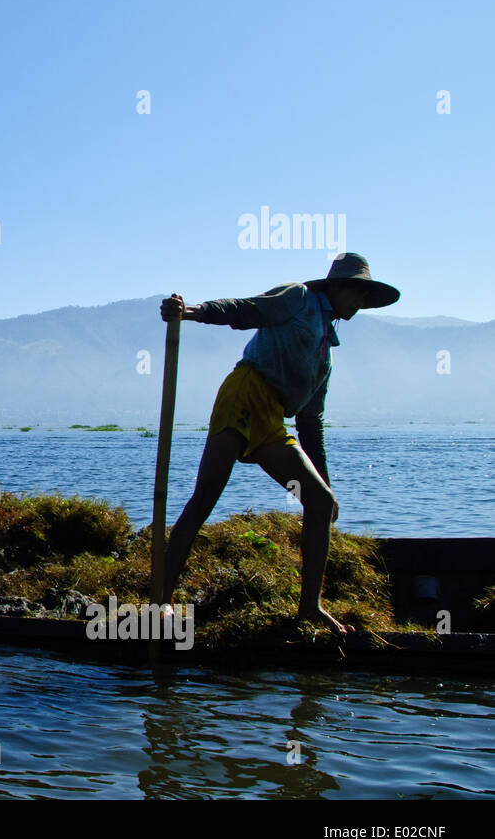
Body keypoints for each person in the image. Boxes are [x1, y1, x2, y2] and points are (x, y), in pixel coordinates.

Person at [159, 253, 400, 633]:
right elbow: (249, 310)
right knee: (205, 497)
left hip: (272, 417)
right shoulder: (300, 298)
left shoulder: (325, 353)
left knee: (321, 503)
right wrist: (191, 313)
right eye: (356, 292)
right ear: (336, 287)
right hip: (245, 393)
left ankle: (309, 608)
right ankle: (163, 601)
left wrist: (324, 480)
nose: (360, 302)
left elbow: (310, 423)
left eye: (365, 297)